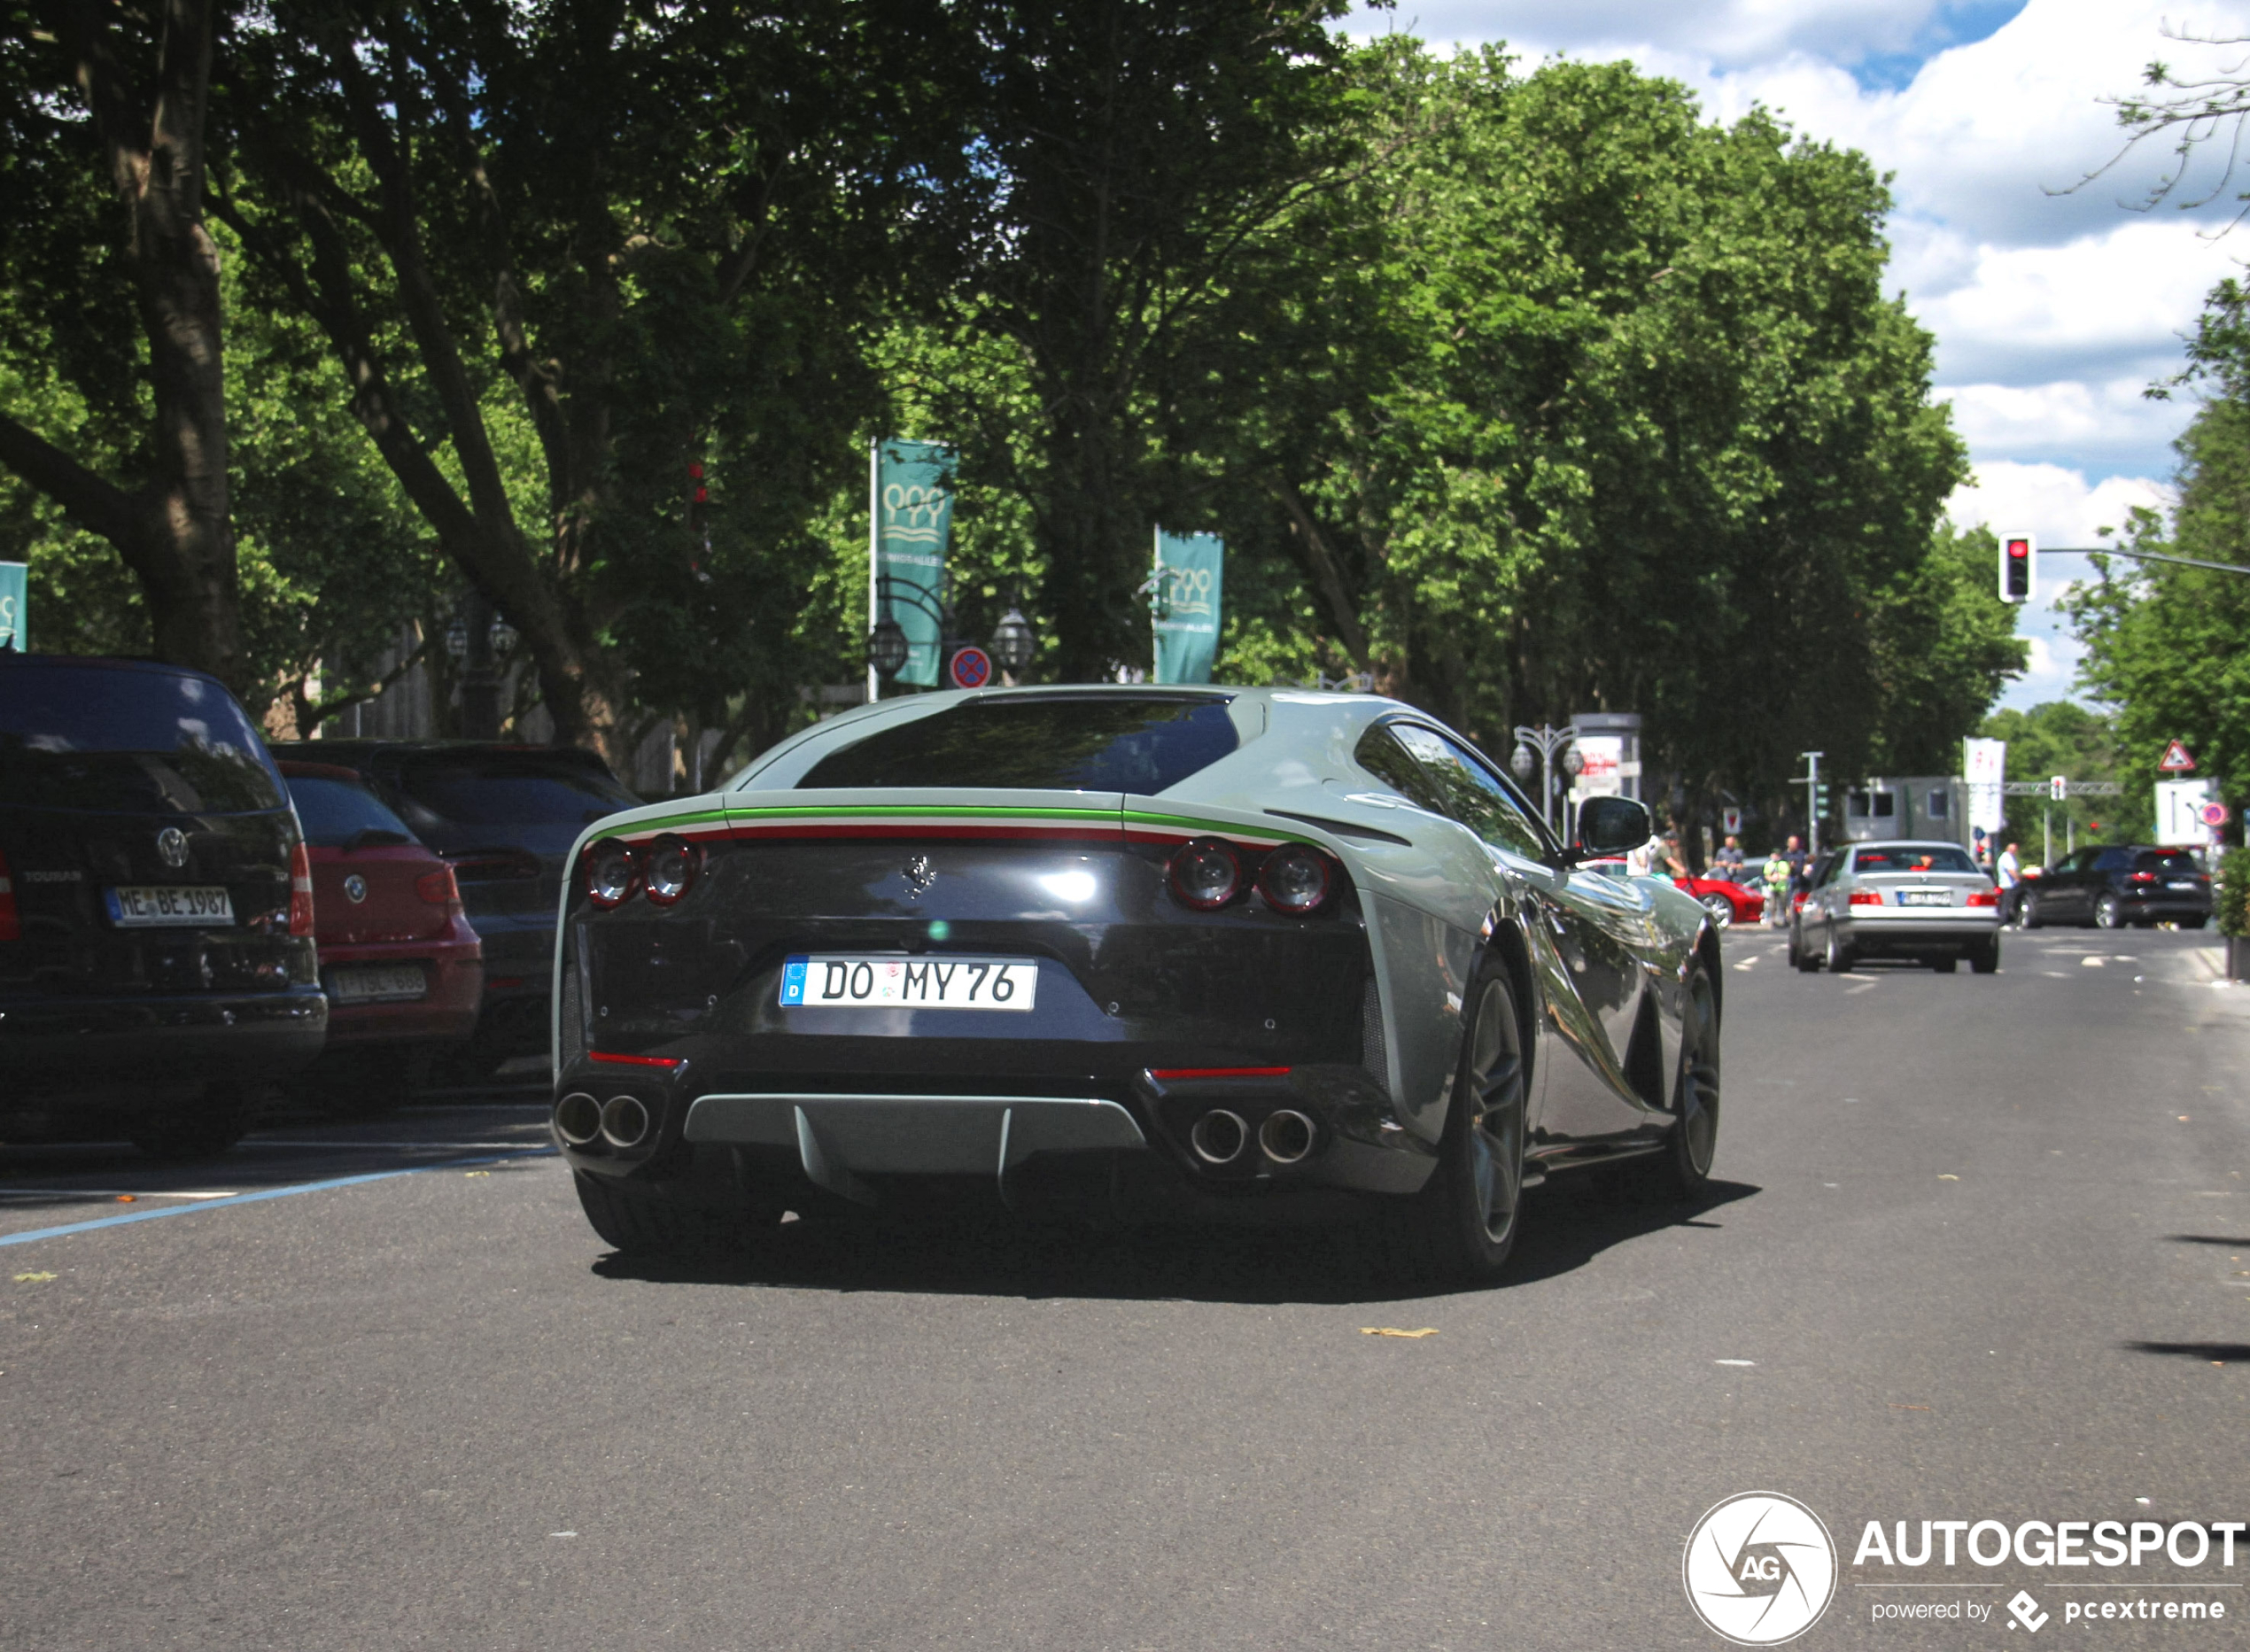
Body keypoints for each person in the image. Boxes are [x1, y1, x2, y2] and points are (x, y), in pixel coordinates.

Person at [1761, 845, 1791, 926]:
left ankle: (1785, 919)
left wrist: (1778, 877)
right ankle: (1772, 920)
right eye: (1774, 855)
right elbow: (1766, 875)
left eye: (1777, 855)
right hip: (1772, 888)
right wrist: (1771, 879)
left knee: (1783, 904)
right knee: (1772, 905)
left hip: (1782, 887)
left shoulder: (1784, 864)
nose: (1775, 856)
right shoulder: (1768, 864)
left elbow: (1786, 875)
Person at [1996, 840, 2022, 926]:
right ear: (2009, 849)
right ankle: (2003, 923)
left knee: (2007, 904)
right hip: (2008, 885)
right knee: (2007, 905)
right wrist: (2019, 879)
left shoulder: (2007, 857)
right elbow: (2011, 870)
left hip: (2006, 885)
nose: (2015, 851)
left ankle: (2008, 921)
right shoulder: (2007, 857)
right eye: (2013, 849)